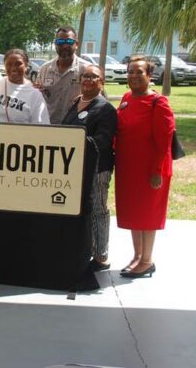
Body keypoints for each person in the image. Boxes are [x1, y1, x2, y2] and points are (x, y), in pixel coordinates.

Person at [115, 56, 175, 278]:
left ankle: (147, 260)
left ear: (149, 76)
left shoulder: (158, 103)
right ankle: (137, 256)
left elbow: (164, 140)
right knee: (134, 212)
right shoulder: (127, 98)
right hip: (129, 167)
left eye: (139, 72)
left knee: (148, 214)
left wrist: (156, 170)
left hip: (150, 169)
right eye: (130, 71)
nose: (133, 76)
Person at [61, 65, 117, 271]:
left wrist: (77, 142)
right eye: (85, 76)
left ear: (102, 82)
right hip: (75, 167)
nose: (88, 80)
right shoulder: (76, 103)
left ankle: (101, 256)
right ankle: (84, 249)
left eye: (94, 77)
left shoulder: (105, 109)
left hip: (97, 169)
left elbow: (103, 139)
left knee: (98, 210)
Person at [34, 26, 90, 124]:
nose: (64, 45)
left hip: (74, 126)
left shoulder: (86, 69)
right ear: (55, 44)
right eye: (60, 42)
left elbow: (96, 99)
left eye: (69, 42)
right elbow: (37, 96)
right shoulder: (45, 69)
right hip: (48, 125)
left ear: (76, 44)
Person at [0, 48, 49, 124]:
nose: (13, 68)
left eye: (18, 64)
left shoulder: (35, 94)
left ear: (26, 65)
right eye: (9, 64)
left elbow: (42, 125)